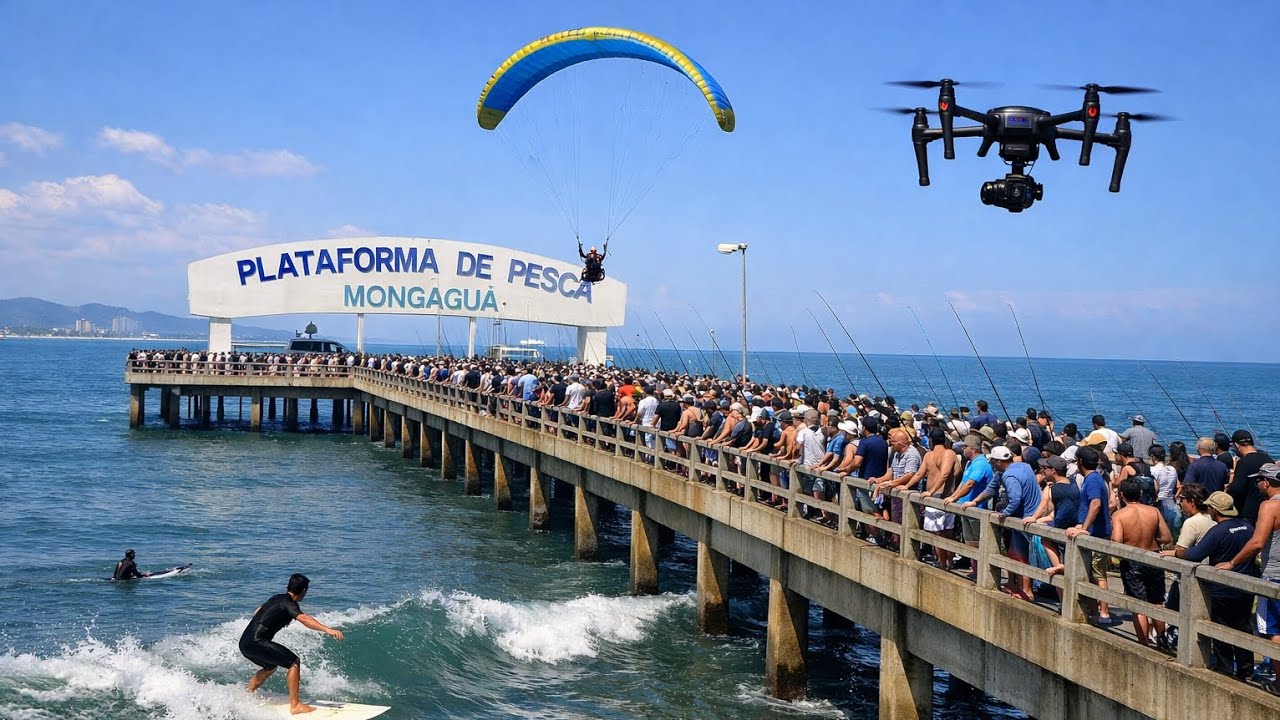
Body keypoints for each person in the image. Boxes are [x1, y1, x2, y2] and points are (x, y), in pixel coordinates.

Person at [1179, 492, 1259, 680]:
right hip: (1246, 588)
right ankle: (1246, 670)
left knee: (1221, 630)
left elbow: (1193, 556)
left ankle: (1225, 669)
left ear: (1214, 510)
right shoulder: (1247, 527)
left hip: (1222, 591)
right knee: (1243, 628)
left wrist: (1178, 552)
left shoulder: (1218, 531)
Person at [241, 573, 344, 715]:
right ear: (303, 591)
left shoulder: (277, 598)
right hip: (258, 642)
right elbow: (304, 618)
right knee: (293, 662)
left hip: (245, 643)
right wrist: (328, 629)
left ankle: (248, 692)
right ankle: (295, 705)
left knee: (270, 666)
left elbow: (258, 610)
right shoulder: (289, 604)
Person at [1218, 462, 1280, 694]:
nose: (1257, 484)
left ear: (1267, 482)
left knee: (1273, 630)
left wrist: (1233, 563)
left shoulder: (1269, 506)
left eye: (1259, 480)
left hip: (1274, 576)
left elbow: (1257, 542)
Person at [1110, 478, 1172, 647]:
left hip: (1133, 561)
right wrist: (1152, 540)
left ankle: (1143, 642)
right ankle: (1161, 639)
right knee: (1157, 602)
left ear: (1122, 495)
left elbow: (1116, 541)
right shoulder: (1153, 511)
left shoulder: (1119, 515)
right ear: (1141, 493)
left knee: (1138, 605)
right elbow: (1167, 537)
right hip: (1153, 558)